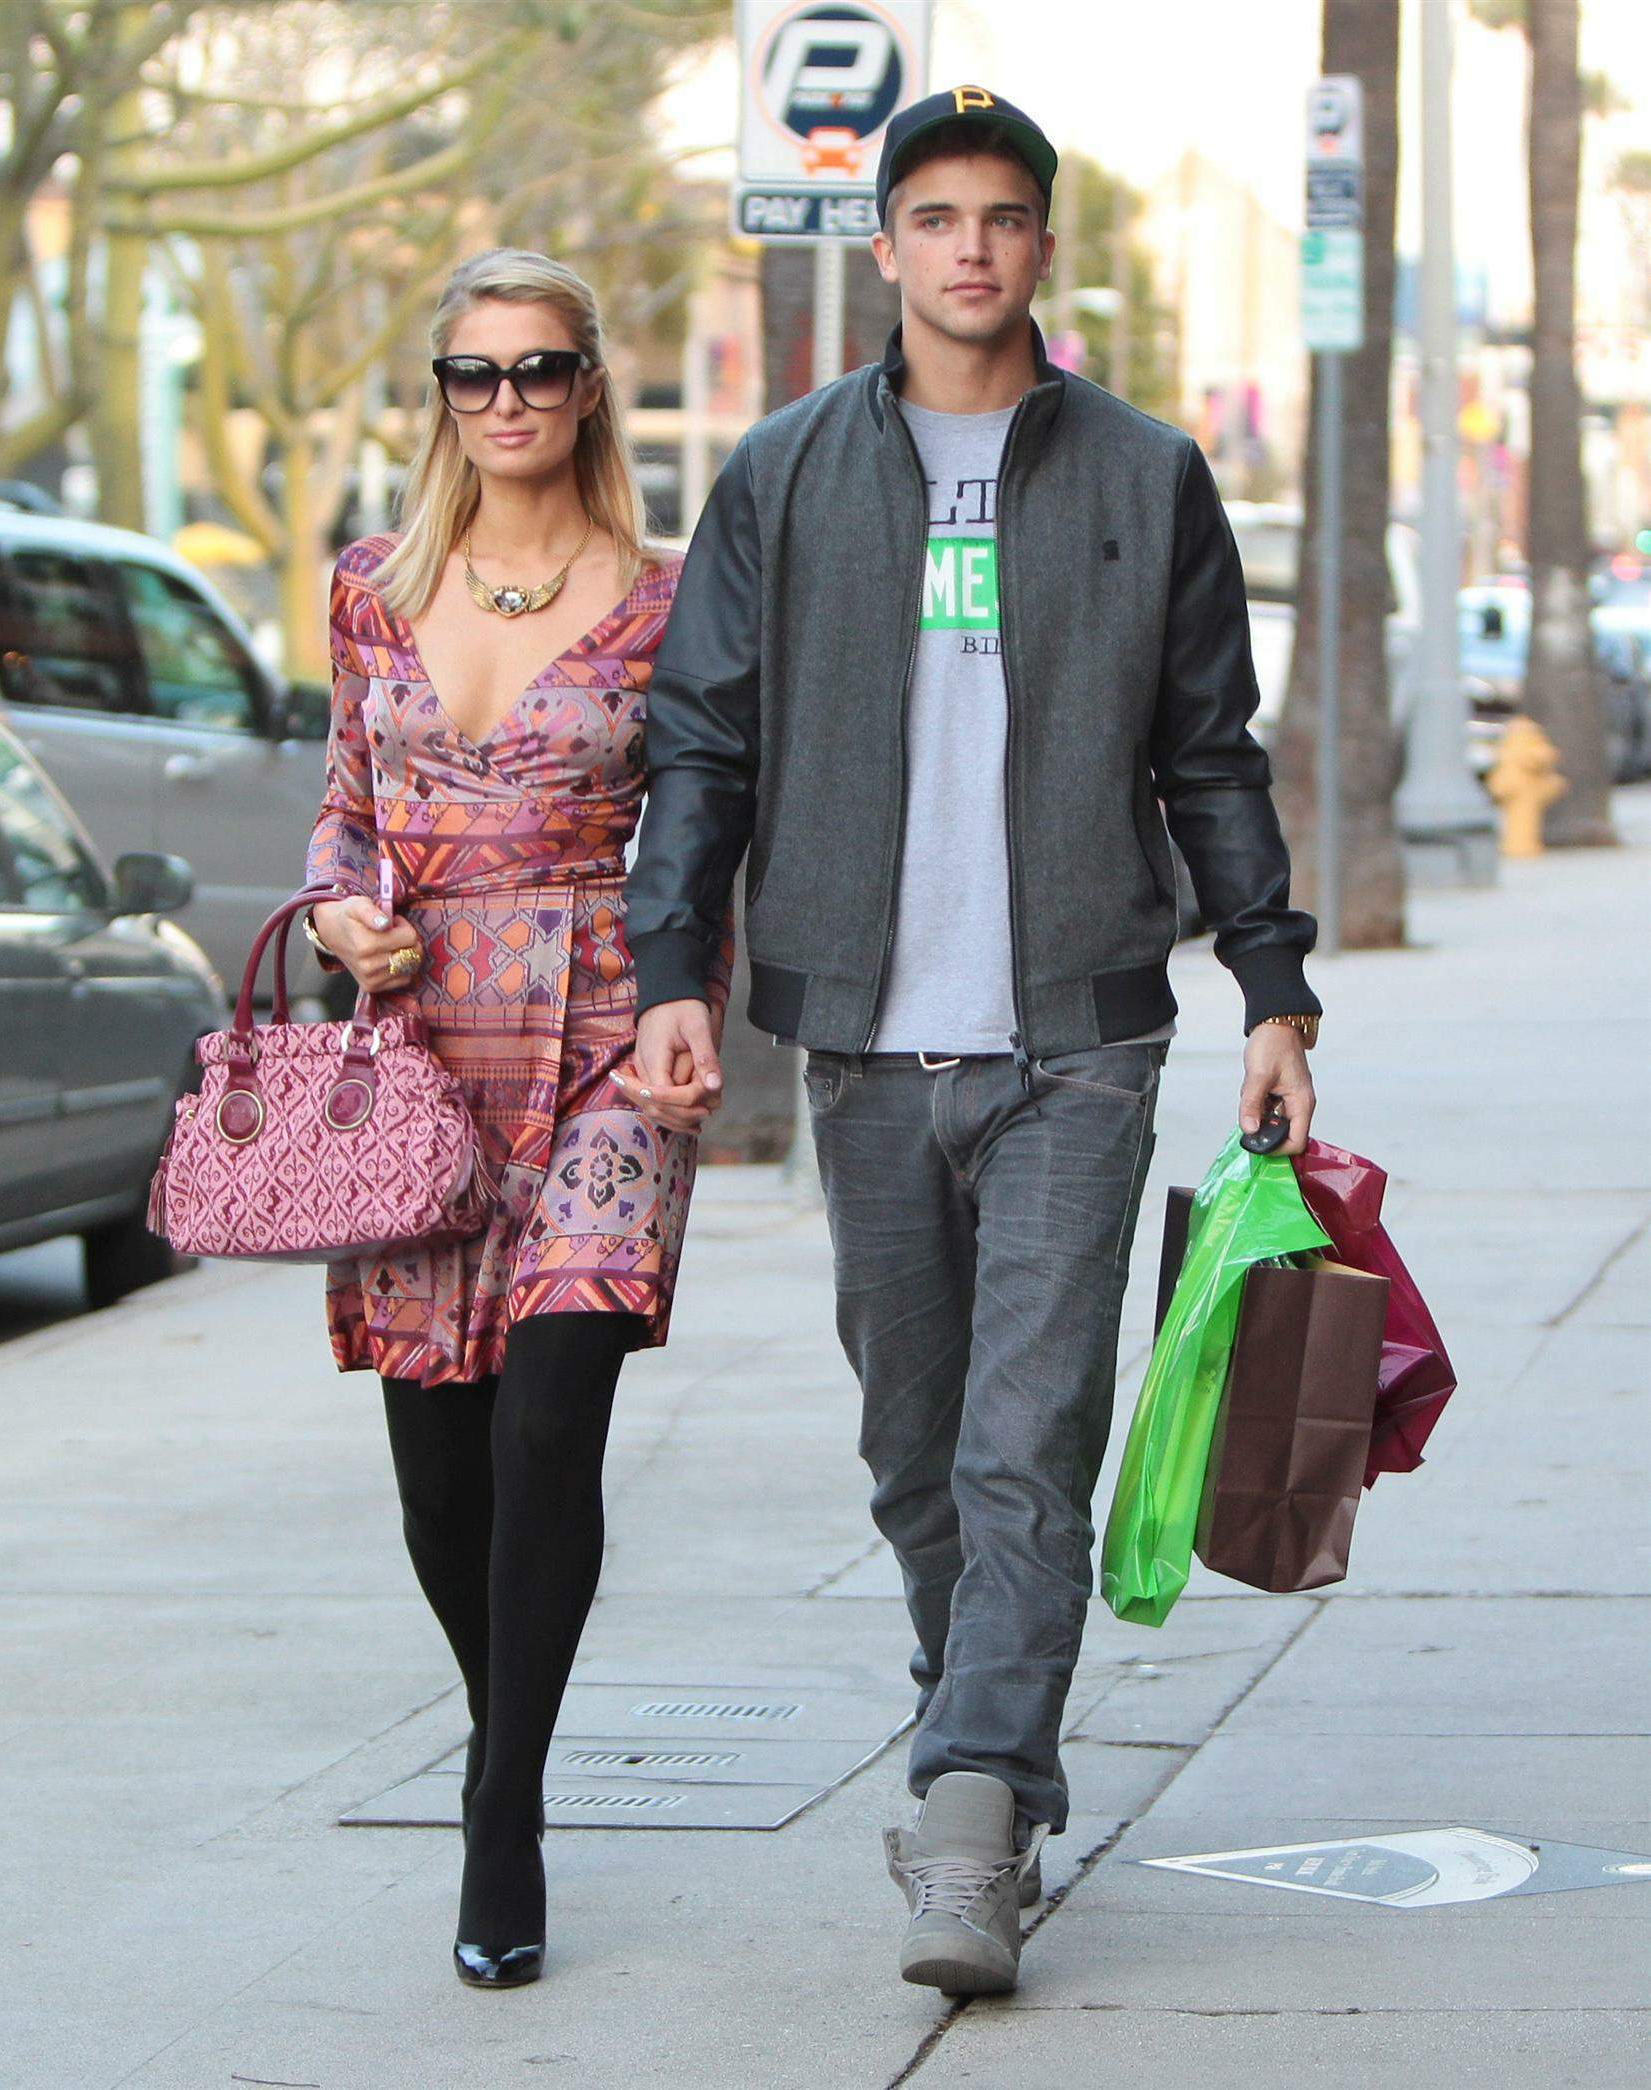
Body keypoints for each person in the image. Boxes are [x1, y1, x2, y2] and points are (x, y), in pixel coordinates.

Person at [623, 88, 1320, 1996]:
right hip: (857, 1037)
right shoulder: (778, 475)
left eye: (1003, 218)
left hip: (1076, 1036)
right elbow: (700, 738)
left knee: (1031, 1445)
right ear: (889, 248)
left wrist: (1273, 984)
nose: (970, 250)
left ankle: (966, 1815)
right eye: (935, 218)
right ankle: (988, 1751)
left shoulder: (1146, 473)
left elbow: (1209, 753)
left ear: (1039, 244)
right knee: (917, 1453)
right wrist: (672, 957)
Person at [305, 248, 728, 1990]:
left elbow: (702, 820)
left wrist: (699, 991)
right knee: (436, 1469)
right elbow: (344, 810)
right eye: (471, 377)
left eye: (538, 371)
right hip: (417, 1058)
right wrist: (342, 912)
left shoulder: (670, 591)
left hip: (603, 1038)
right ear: (441, 399)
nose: (506, 405)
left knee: (552, 1417)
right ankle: (510, 1738)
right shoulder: (367, 588)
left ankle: (503, 1818)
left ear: (587, 389)